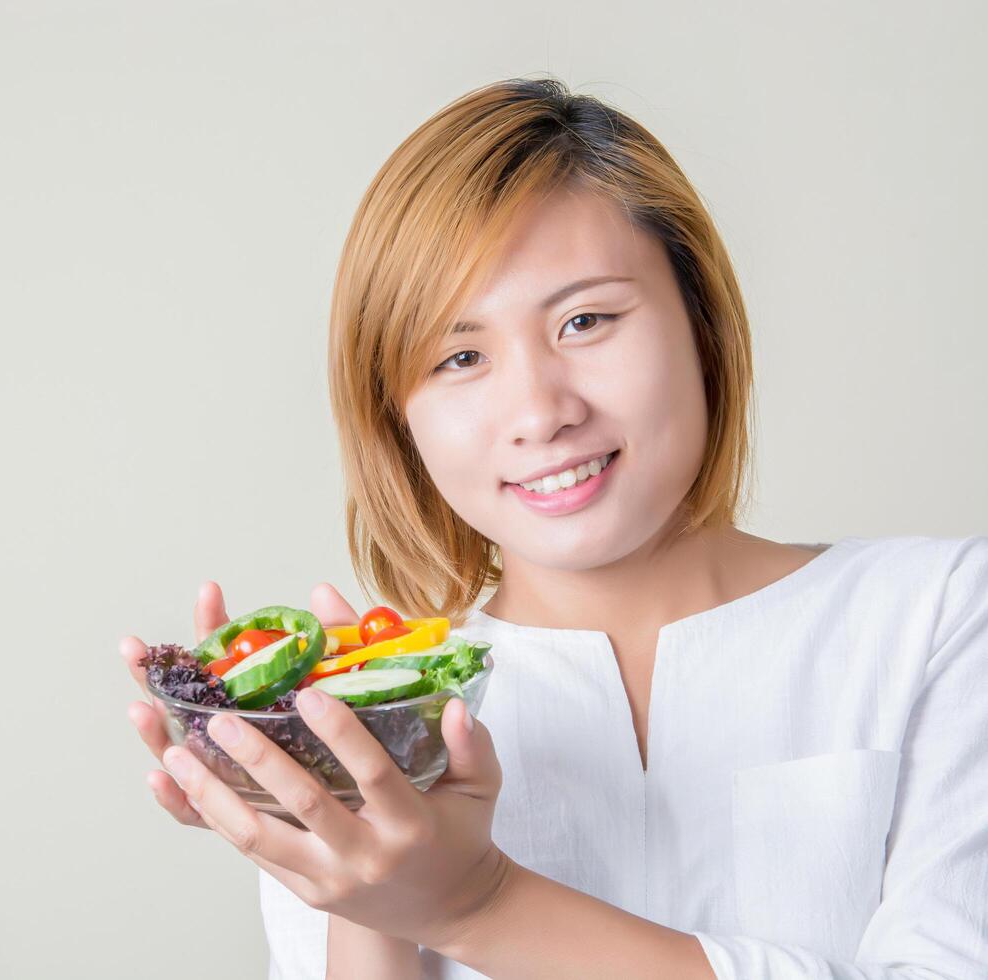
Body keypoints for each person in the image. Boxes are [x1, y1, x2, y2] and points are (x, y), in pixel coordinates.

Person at [120, 77, 988, 978]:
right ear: (397, 416)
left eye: (586, 320)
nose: (539, 412)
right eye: (460, 357)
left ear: (701, 322)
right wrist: (364, 858)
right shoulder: (355, 724)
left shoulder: (942, 617)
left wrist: (477, 905)